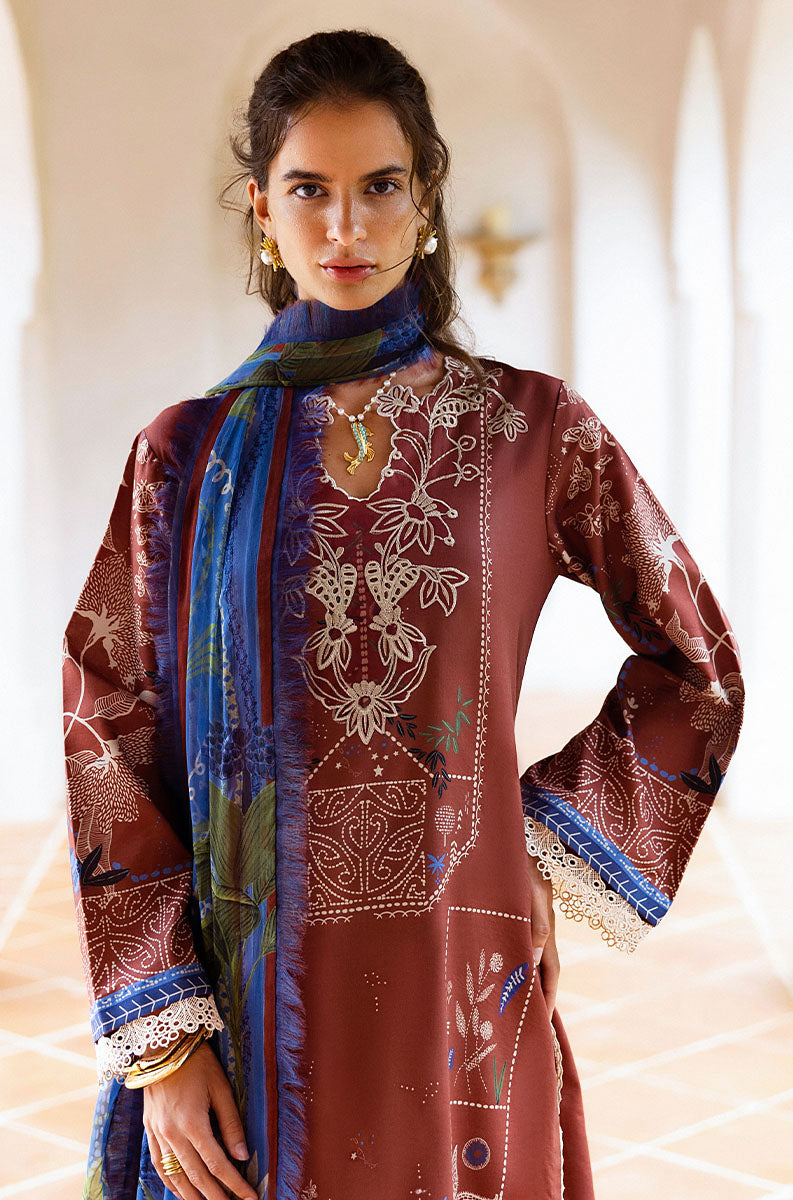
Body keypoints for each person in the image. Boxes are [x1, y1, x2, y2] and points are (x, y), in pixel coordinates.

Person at [62, 28, 745, 1200]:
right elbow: (105, 731)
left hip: (458, 986)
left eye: (380, 186)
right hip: (241, 998)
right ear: (259, 209)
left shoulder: (530, 430)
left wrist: (544, 847)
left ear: (424, 198)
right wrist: (163, 1045)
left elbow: (698, 664)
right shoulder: (184, 456)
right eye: (308, 190)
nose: (346, 228)